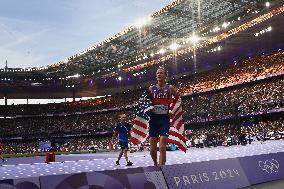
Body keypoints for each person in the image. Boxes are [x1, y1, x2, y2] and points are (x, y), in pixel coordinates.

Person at [148, 67, 180, 166]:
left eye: (161, 73)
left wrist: (174, 108)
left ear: (165, 75)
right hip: (153, 120)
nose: (159, 74)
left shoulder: (170, 88)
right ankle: (155, 164)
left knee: (162, 147)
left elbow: (178, 97)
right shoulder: (151, 89)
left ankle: (162, 168)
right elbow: (146, 103)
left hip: (164, 119)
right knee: (153, 148)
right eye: (157, 73)